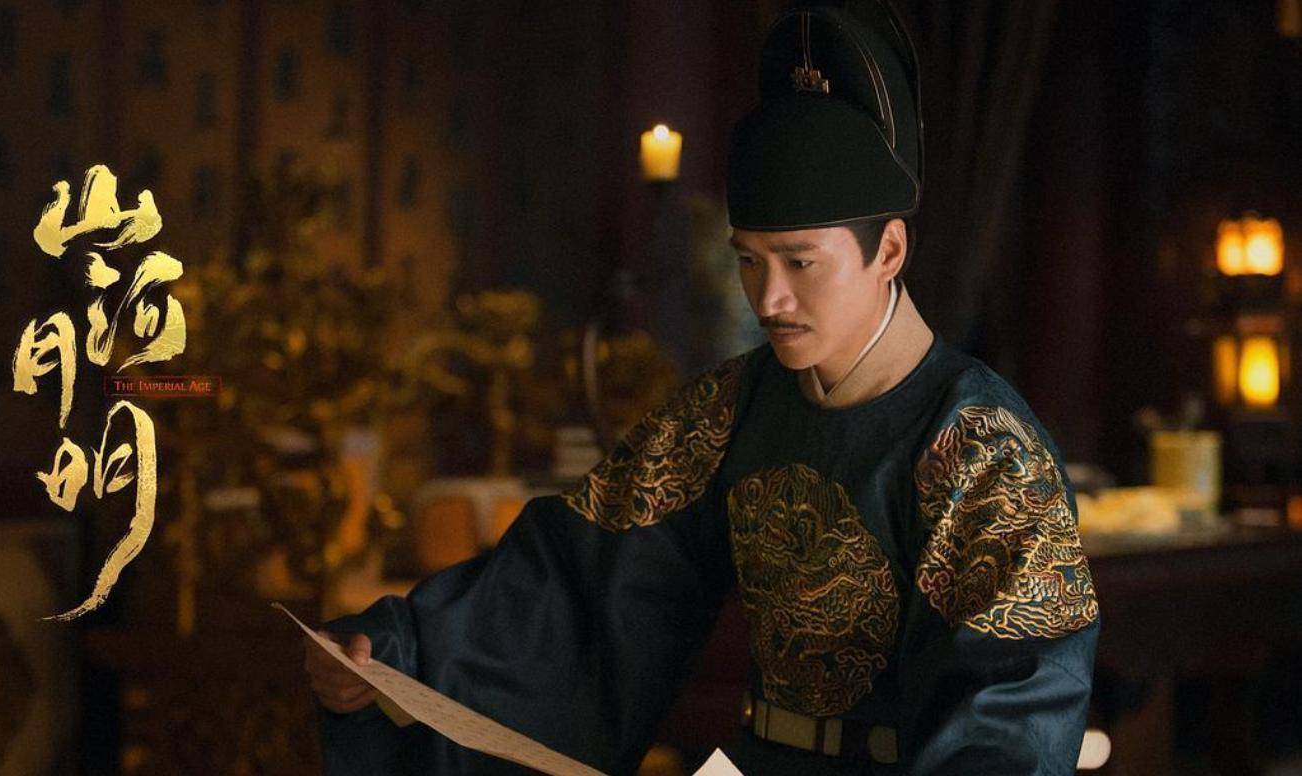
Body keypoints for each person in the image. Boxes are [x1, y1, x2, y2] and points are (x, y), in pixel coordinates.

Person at [304, 2, 1100, 774]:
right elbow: (581, 582)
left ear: (887, 250)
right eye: (748, 260)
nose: (769, 299)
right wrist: (400, 655)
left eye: (799, 262)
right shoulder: (729, 410)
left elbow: (1010, 711)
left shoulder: (982, 447)